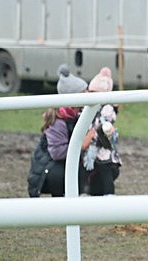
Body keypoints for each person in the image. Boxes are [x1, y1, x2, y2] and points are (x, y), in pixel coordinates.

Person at [27, 64, 91, 197]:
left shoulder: (75, 115)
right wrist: (82, 145)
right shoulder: (58, 121)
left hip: (58, 166)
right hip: (48, 169)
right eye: (84, 92)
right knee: (61, 173)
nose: (87, 95)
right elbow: (57, 153)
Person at [83, 67, 122, 196]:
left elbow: (105, 126)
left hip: (103, 148)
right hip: (92, 147)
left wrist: (93, 138)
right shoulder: (90, 108)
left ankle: (109, 196)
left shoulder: (107, 109)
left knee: (106, 171)